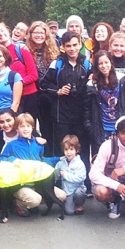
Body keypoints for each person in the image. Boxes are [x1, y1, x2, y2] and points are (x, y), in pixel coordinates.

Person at [0, 113, 66, 216]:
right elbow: (1, 158)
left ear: (32, 128)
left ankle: (34, 202)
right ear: (17, 129)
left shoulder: (38, 144)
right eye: (22, 126)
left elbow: (42, 161)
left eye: (28, 126)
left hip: (38, 182)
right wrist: (12, 159)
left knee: (62, 195)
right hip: (22, 184)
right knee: (35, 200)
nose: (25, 129)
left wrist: (60, 159)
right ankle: (18, 203)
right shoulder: (12, 145)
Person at [40, 31, 91, 160]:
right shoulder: (57, 64)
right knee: (61, 148)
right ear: (63, 46)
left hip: (81, 114)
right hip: (61, 115)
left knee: (81, 148)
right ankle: (61, 177)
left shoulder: (87, 64)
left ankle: (82, 177)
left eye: (75, 45)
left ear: (80, 44)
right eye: (68, 46)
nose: (72, 49)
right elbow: (43, 85)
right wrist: (58, 91)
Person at [0, 23, 40, 119]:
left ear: (8, 31)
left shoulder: (21, 49)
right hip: (9, 98)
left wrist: (16, 84)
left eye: (2, 31)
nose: (1, 34)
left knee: (28, 128)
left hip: (28, 96)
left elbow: (34, 75)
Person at [27, 21, 60, 142]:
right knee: (31, 125)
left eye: (42, 32)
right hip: (32, 93)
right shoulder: (25, 50)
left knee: (48, 126)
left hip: (48, 93)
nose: (39, 35)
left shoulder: (54, 51)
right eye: (36, 32)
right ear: (30, 34)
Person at [84, 50, 122, 149]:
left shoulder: (121, 80)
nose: (104, 66)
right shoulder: (92, 84)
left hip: (118, 125)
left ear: (111, 63)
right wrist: (89, 126)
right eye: (100, 63)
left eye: (106, 62)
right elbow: (87, 108)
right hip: (101, 127)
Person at [54, 135, 87, 215]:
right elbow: (56, 176)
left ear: (76, 150)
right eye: (66, 149)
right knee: (69, 212)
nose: (68, 152)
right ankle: (68, 202)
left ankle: (79, 204)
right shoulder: (60, 163)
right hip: (67, 191)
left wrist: (66, 175)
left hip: (77, 189)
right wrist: (57, 173)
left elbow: (80, 178)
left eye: (71, 149)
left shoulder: (80, 163)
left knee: (79, 193)